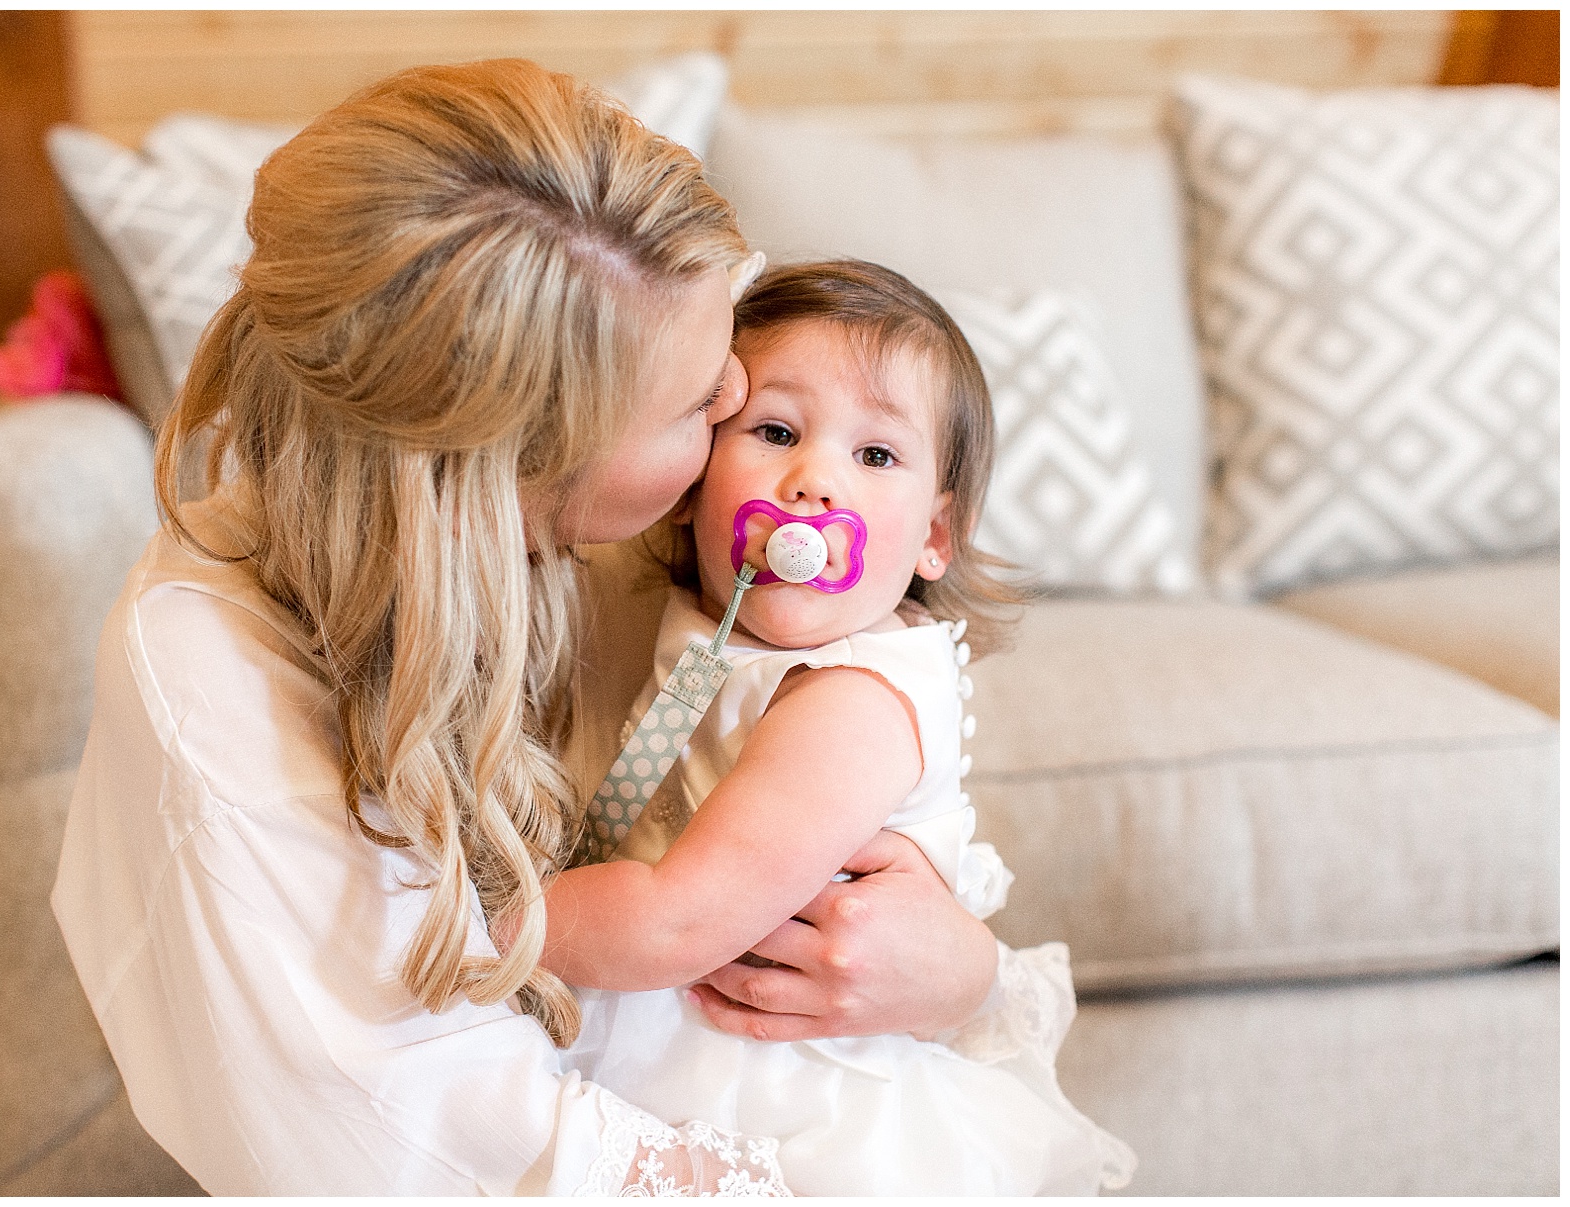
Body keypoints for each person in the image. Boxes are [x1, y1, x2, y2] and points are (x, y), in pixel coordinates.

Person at [52, 60, 1001, 1195]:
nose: (745, 427)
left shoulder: (660, 563)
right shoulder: (215, 692)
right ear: (516, 472)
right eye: (715, 408)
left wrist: (963, 973)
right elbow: (432, 1134)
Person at [542, 261, 1137, 1195]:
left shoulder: (854, 697)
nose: (814, 479)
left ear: (934, 537)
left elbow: (676, 918)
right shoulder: (696, 624)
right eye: (775, 432)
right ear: (693, 473)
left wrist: (479, 927)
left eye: (876, 456)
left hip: (785, 1100)